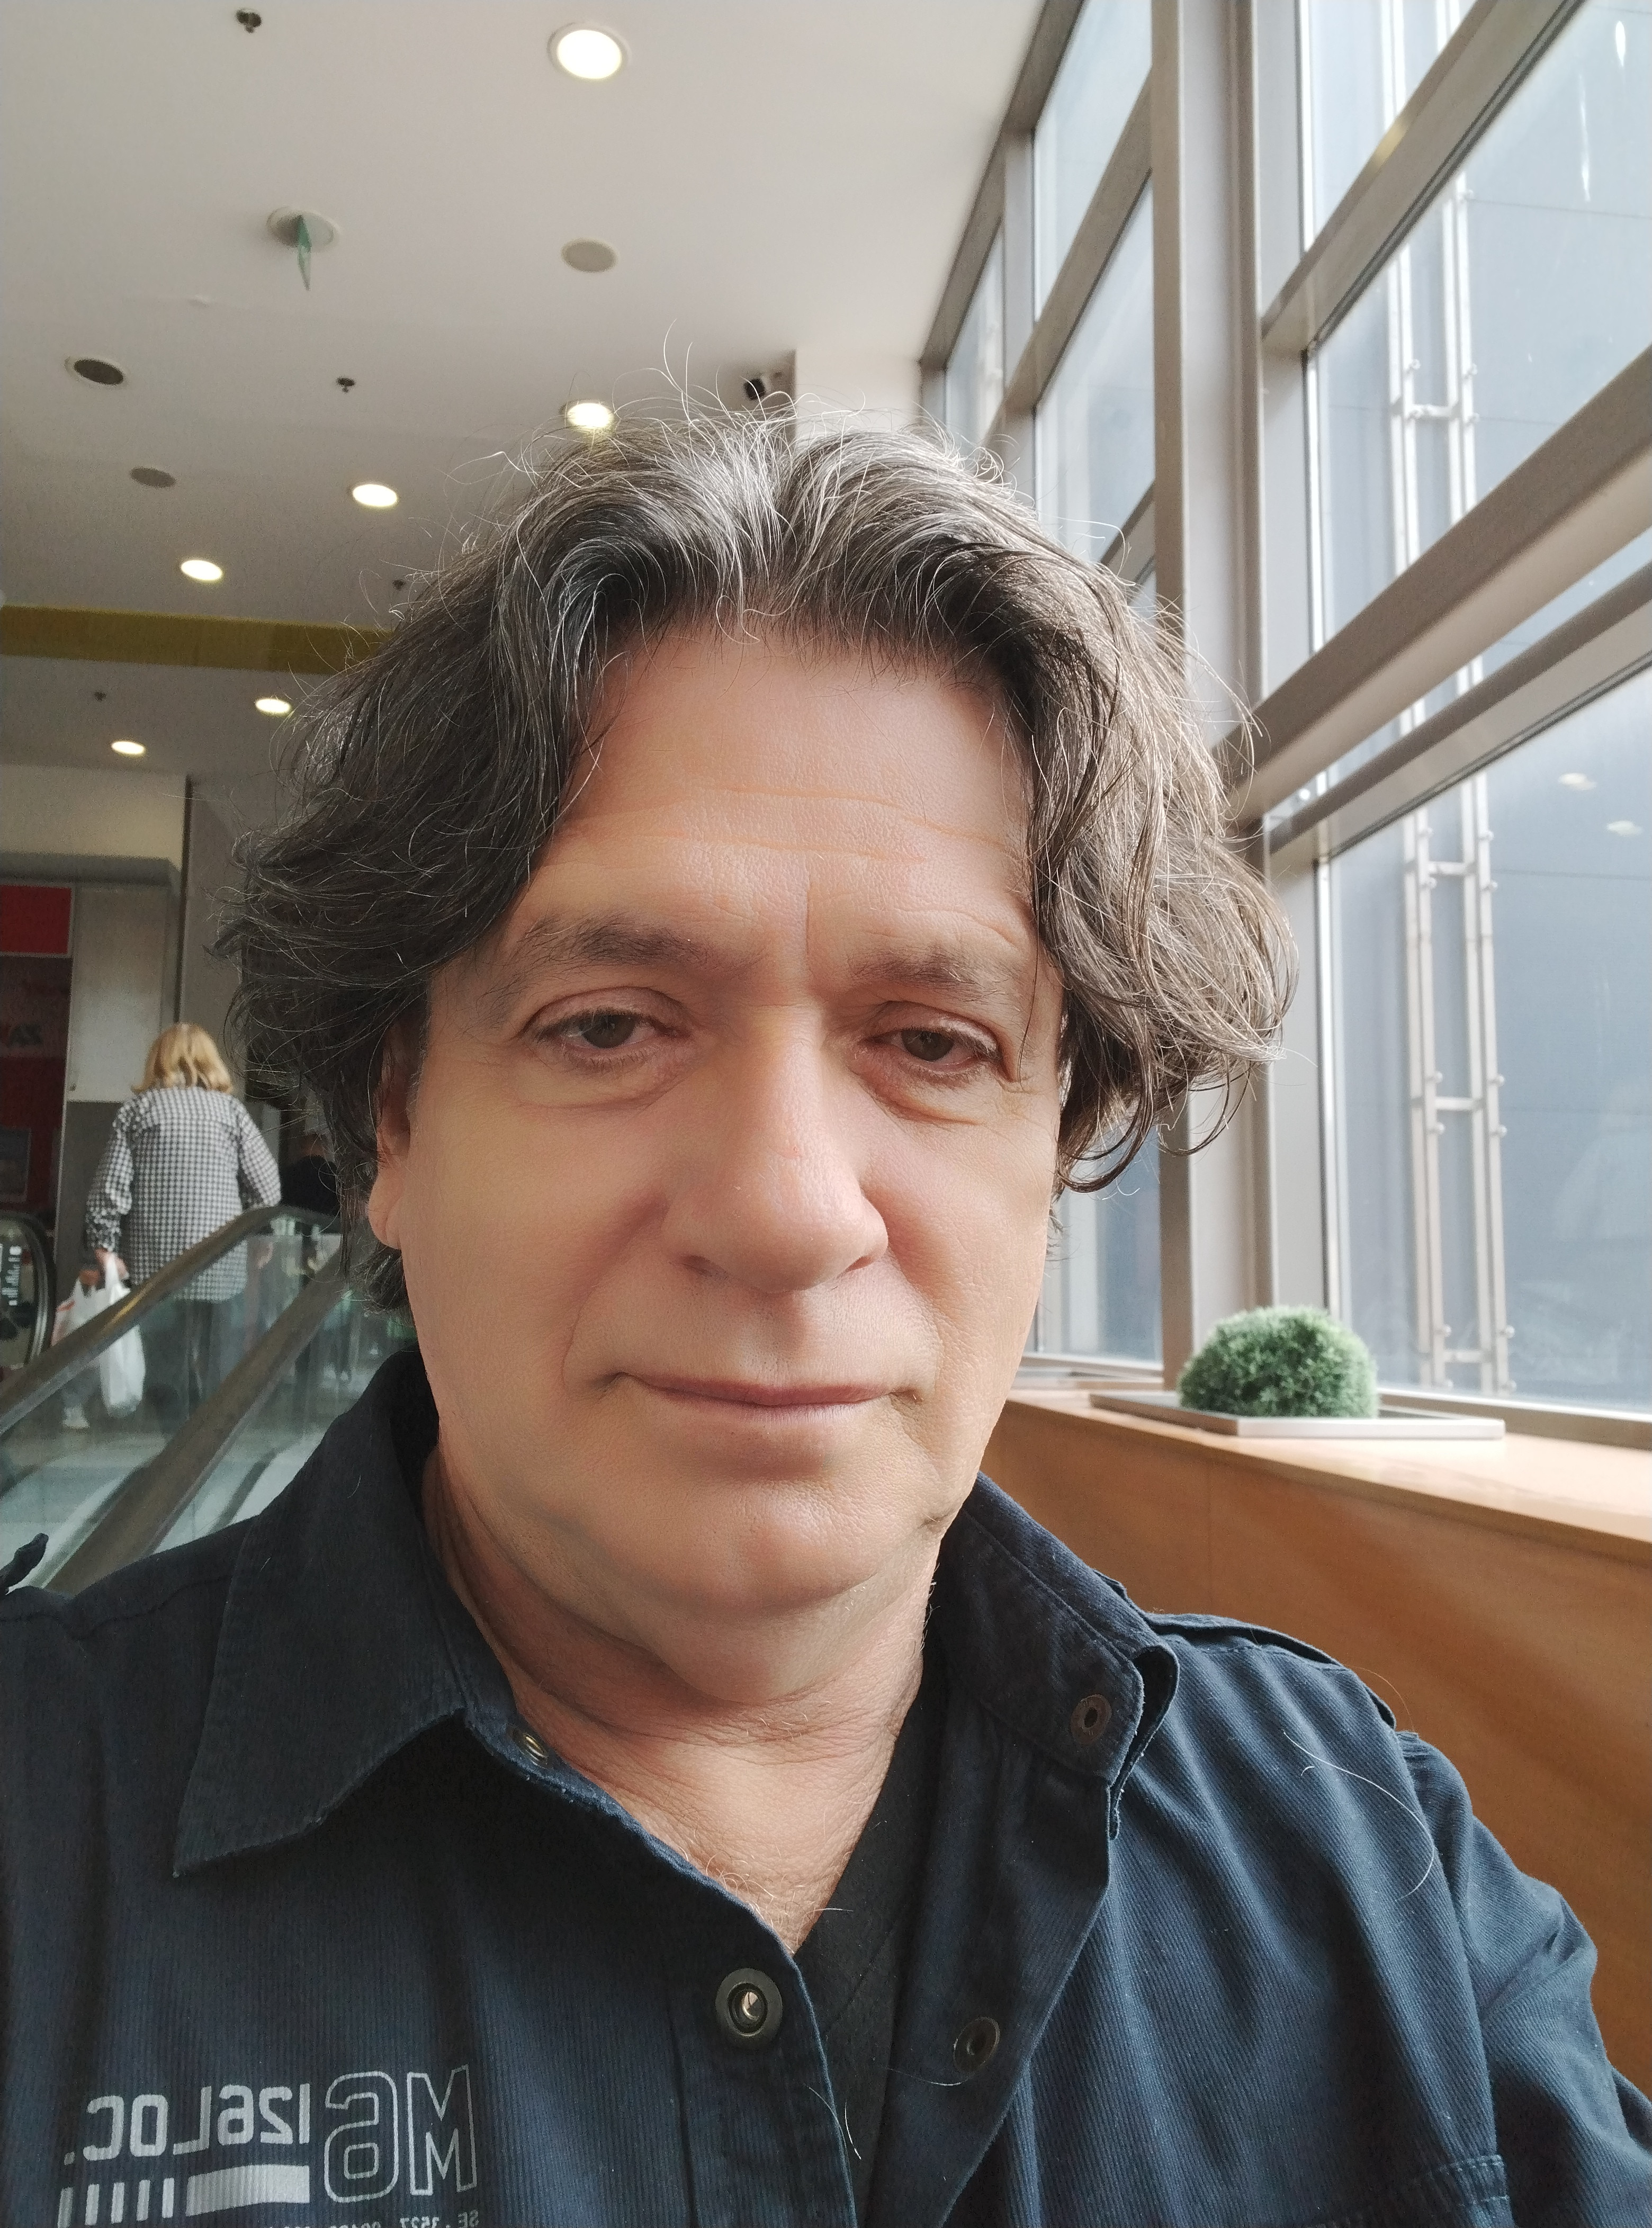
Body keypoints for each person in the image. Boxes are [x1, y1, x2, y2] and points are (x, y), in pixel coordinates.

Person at [2, 417, 1646, 2228]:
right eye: (609, 1024)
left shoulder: (1366, 1862)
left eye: (934, 1042)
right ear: (391, 1119)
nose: (787, 1211)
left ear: (1056, 1141)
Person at [80, 1021, 281, 1424]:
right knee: (220, 1373)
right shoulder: (232, 1113)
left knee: (165, 1374)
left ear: (159, 1061)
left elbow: (110, 1191)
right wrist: (259, 1235)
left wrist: (105, 1247)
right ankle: (209, 1446)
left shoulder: (138, 1111)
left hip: (158, 1274)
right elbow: (267, 1190)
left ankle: (176, 1444)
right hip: (222, 1270)